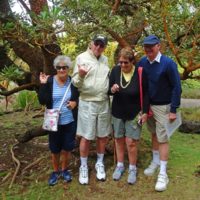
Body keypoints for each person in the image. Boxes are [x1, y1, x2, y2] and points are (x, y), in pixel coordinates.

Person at [137, 35, 181, 191]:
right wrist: (143, 109)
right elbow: (143, 87)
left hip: (164, 107)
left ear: (159, 46)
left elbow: (177, 87)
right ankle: (155, 161)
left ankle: (163, 173)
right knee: (154, 134)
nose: (148, 51)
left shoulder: (168, 64)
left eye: (151, 48)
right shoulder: (142, 62)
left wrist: (174, 109)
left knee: (162, 138)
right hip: (149, 106)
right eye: (145, 48)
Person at [72, 35, 111, 185]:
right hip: (87, 103)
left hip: (103, 102)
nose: (98, 47)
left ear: (104, 47)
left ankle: (99, 163)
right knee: (87, 136)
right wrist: (81, 75)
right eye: (97, 44)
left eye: (102, 45)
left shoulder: (105, 59)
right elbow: (75, 83)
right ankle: (83, 166)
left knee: (102, 135)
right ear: (91, 43)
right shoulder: (81, 58)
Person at [109, 48, 149, 184]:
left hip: (134, 112)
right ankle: (120, 166)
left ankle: (132, 168)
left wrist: (145, 112)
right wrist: (112, 89)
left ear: (132, 61)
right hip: (117, 112)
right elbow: (109, 90)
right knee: (118, 140)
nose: (123, 65)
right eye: (120, 62)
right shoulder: (115, 71)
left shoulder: (140, 72)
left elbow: (146, 94)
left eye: (126, 62)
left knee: (131, 142)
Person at [38, 55, 79, 186]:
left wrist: (75, 103)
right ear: (56, 68)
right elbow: (42, 100)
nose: (61, 70)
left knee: (67, 147)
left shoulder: (73, 81)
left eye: (64, 67)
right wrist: (43, 85)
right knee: (55, 149)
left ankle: (64, 170)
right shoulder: (49, 81)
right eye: (59, 67)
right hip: (53, 121)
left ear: (68, 68)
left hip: (69, 121)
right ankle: (55, 172)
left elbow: (78, 97)